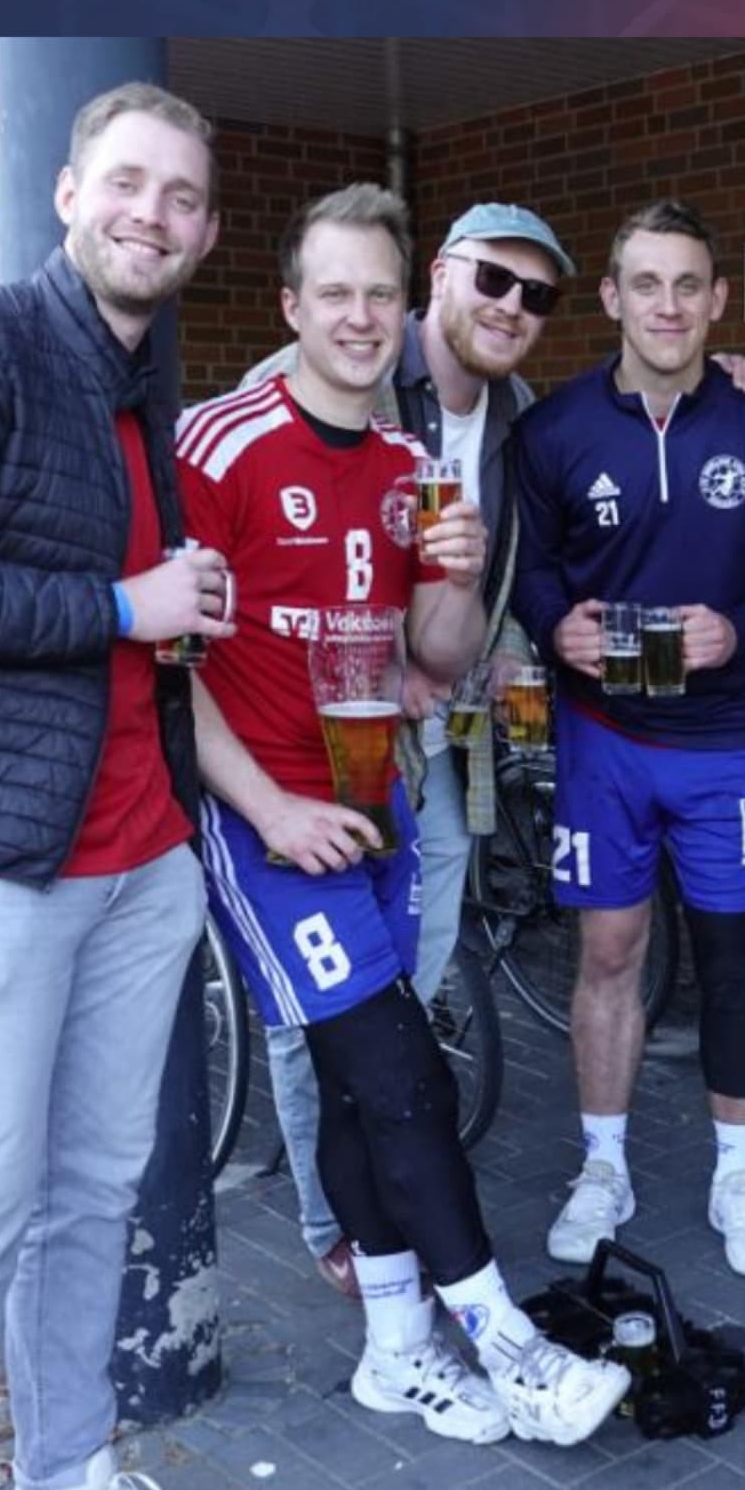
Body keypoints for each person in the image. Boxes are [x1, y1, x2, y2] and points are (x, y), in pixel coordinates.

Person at [177, 183, 629, 1446]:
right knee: (403, 1070)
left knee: (359, 1084)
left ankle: (394, 1353)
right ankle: (503, 1340)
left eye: (378, 293)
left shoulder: (407, 468)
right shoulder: (217, 442)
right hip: (270, 822)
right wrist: (269, 810)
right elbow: (170, 668)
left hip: (376, 801)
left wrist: (459, 570)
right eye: (336, 292)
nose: (361, 316)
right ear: (290, 305)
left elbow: (433, 650)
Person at [0, 83, 234, 1490]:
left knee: (90, 1197)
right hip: (6, 865)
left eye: (182, 197)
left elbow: (126, 608)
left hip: (143, 856)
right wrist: (120, 607)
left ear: (205, 232)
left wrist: (171, 614)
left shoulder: (144, 393)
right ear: (68, 194)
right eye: (128, 183)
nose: (153, 214)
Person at [238, 203, 574, 1297]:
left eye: (536, 294)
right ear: (440, 276)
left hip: (431, 748)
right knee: (327, 1007)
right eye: (493, 280)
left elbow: (488, 580)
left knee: (401, 996)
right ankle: (335, 1224)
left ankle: (387, 1182)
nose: (512, 307)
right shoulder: (333, 377)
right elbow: (260, 567)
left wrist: (493, 653)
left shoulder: (519, 416)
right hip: (312, 756)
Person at [512, 199, 745, 1277]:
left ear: (717, 299)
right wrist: (552, 626)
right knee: (608, 953)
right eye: (645, 283)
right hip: (603, 736)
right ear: (611, 297)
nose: (667, 305)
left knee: (731, 960)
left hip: (728, 738)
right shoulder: (553, 431)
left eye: (687, 284)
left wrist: (738, 630)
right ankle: (603, 1167)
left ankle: (737, 1173)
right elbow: (533, 568)